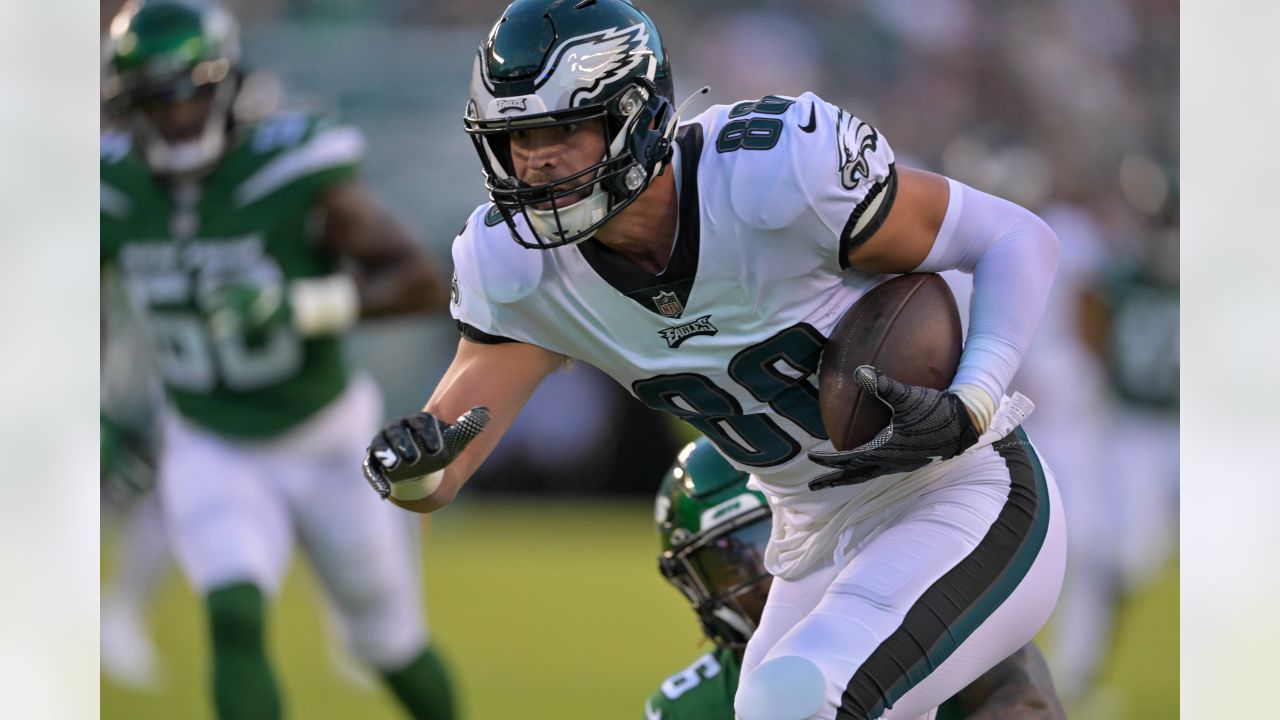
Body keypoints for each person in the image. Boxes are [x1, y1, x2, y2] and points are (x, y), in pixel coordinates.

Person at [363, 1, 1066, 717]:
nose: (535, 158)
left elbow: (1015, 238)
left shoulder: (772, 176)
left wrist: (973, 398)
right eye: (516, 137)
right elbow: (443, 472)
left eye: (561, 129)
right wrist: (411, 465)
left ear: (636, 116)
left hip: (956, 493)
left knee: (792, 702)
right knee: (773, 704)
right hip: (811, 538)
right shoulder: (516, 268)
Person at [100, 1, 456, 717]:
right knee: (232, 616)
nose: (175, 115)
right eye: (155, 98)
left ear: (228, 84)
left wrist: (300, 306)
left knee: (386, 641)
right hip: (210, 438)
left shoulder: (289, 165)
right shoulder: (112, 189)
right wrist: (101, 412)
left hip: (325, 436)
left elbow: (420, 281)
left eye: (191, 91)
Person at [647, 437, 1066, 720]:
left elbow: (1027, 705)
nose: (767, 576)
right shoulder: (687, 706)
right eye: (733, 562)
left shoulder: (935, 623)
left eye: (784, 537)